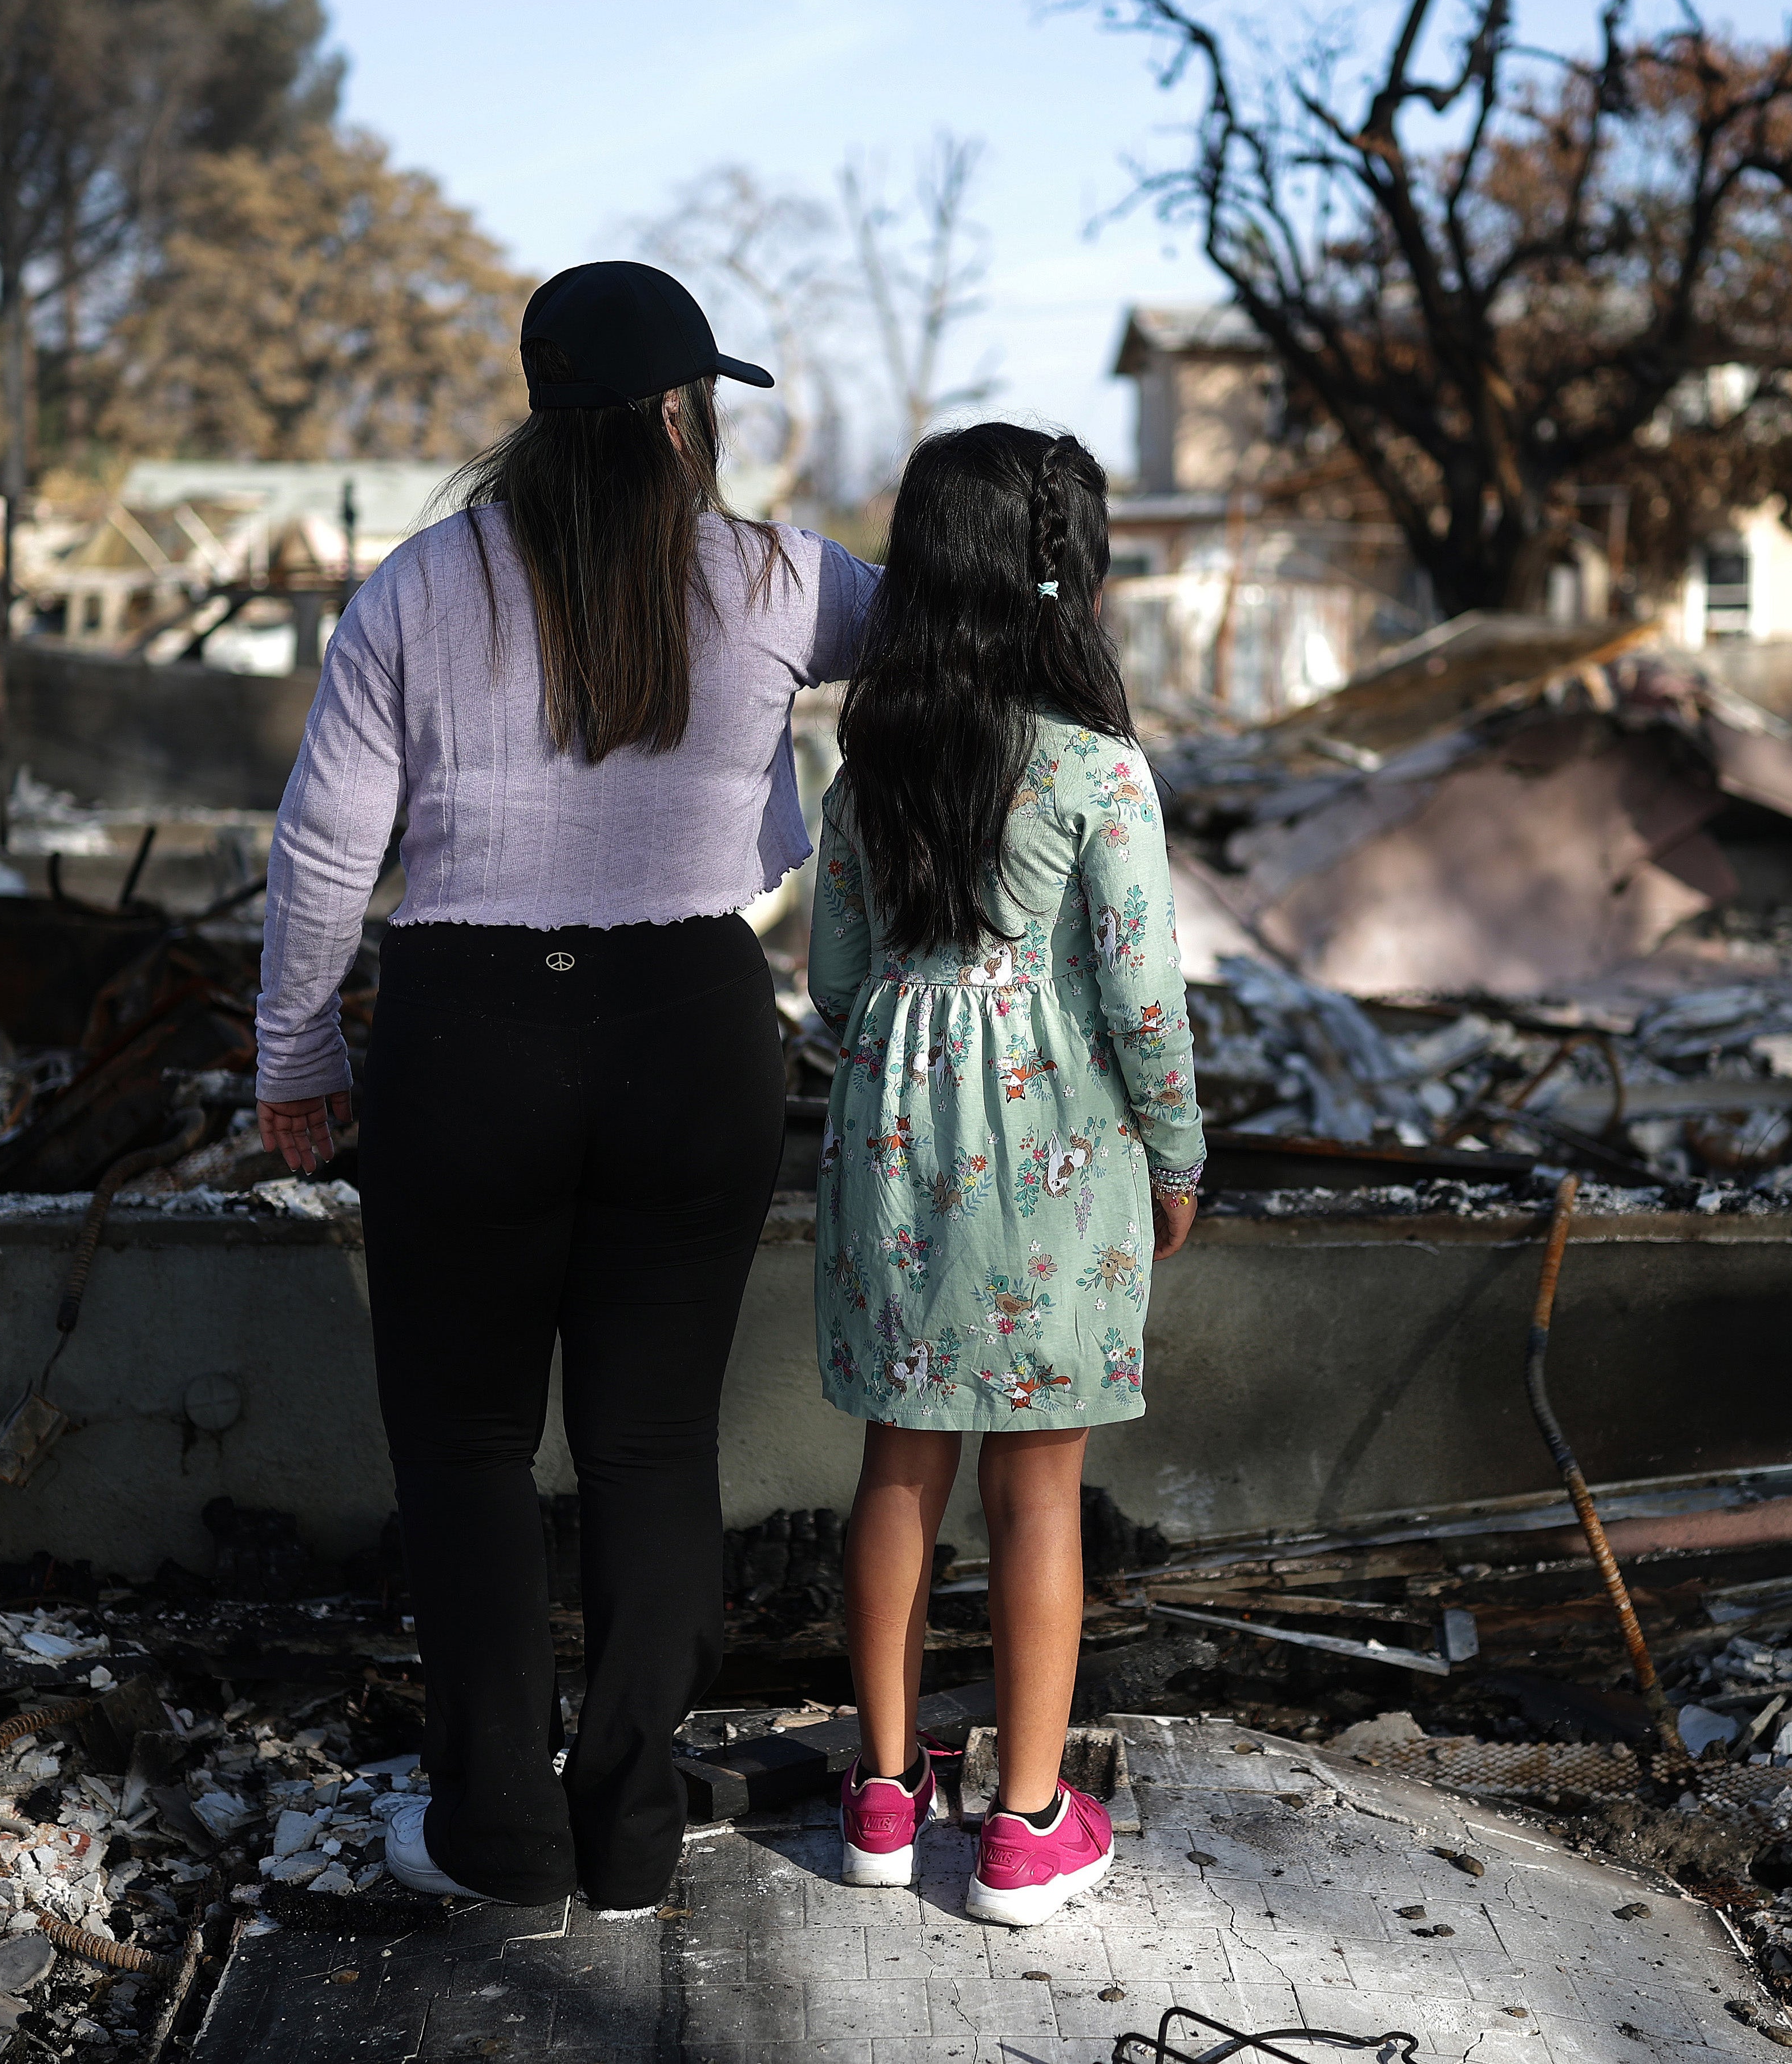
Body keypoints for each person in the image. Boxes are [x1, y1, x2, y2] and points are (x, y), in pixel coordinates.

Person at [253, 261, 875, 1912]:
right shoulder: (778, 577)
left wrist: (297, 1054)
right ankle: (630, 1828)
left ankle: (499, 1833)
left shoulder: (416, 586)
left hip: (468, 1040)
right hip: (692, 1027)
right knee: (652, 1444)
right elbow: (959, 625)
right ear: (681, 413)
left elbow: (325, 848)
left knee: (463, 1448)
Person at [804, 422, 1203, 1927]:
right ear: (1066, 573)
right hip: (1055, 1141)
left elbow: (834, 986)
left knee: (895, 1467)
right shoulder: (1100, 774)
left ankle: (885, 1796)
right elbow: (1139, 997)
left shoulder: (867, 773)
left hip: (888, 1134)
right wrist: (1176, 1153)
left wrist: (909, 1031)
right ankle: (1029, 1826)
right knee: (1039, 1491)